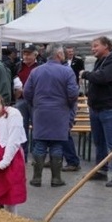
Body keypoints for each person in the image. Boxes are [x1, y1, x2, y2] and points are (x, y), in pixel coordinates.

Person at [23, 44, 79, 187]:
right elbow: (73, 94)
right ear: (59, 54)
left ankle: (36, 178)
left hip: (40, 112)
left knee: (39, 144)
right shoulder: (67, 72)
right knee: (57, 145)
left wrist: (35, 105)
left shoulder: (36, 71)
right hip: (60, 113)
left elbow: (27, 92)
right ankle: (56, 178)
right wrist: (68, 107)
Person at [81, 36, 112, 187]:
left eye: (96, 46)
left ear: (106, 46)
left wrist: (85, 74)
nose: (93, 49)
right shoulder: (100, 61)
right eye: (92, 46)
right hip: (97, 107)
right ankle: (101, 170)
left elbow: (103, 77)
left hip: (110, 108)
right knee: (99, 142)